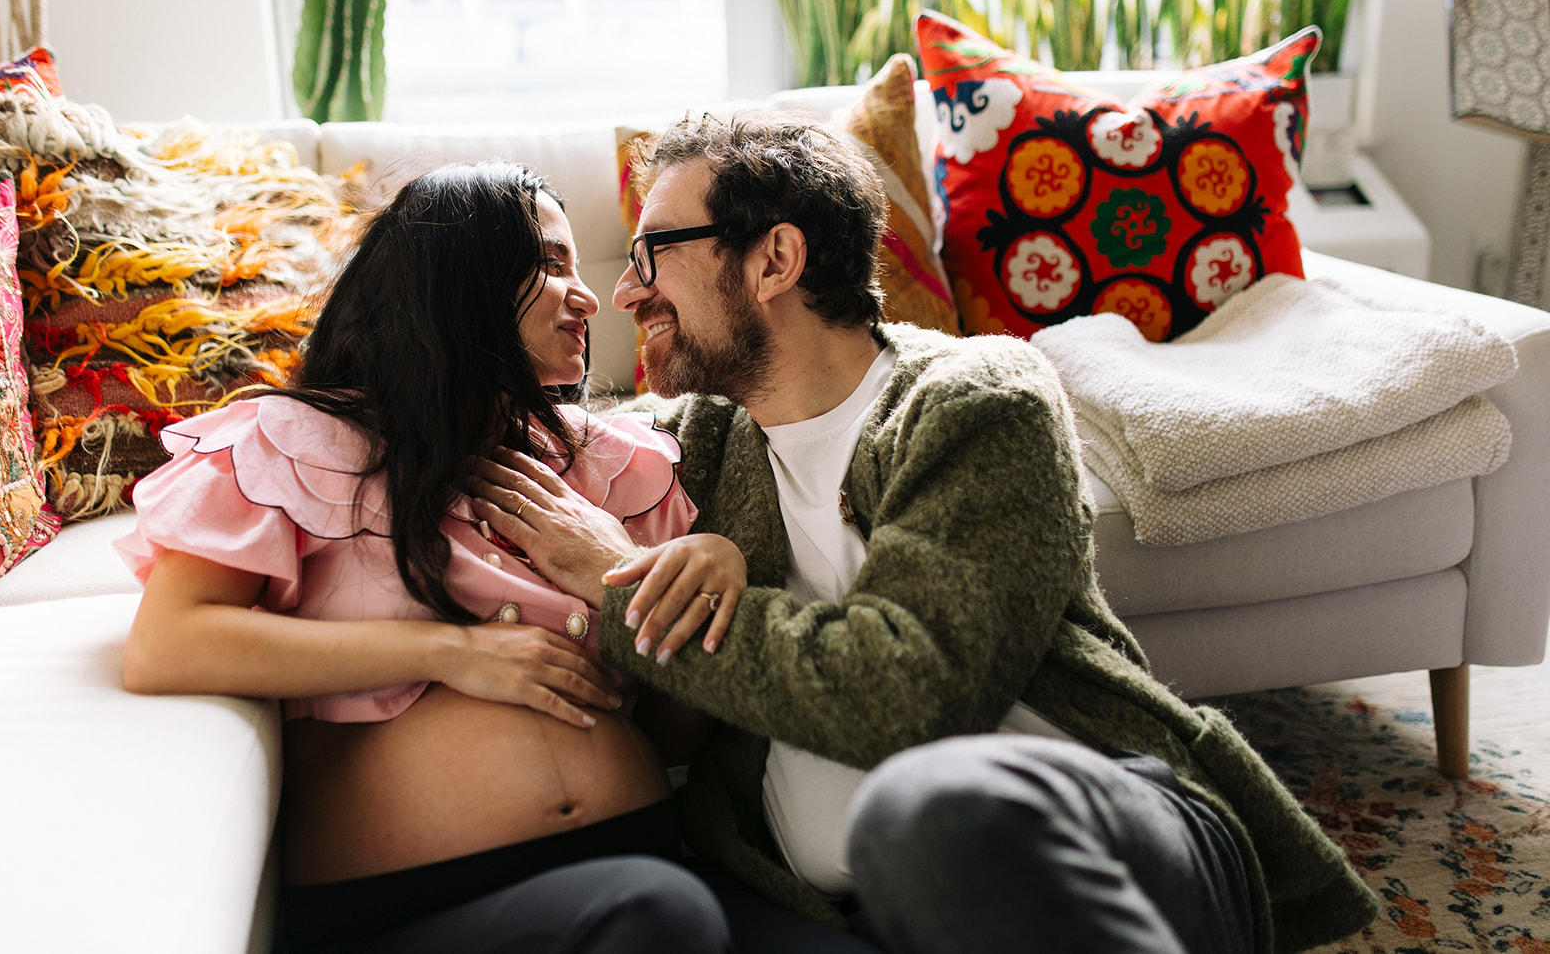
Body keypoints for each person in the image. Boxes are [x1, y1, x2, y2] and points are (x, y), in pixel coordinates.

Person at [472, 112, 1381, 954]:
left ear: (774, 258)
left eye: (651, 251)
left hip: (1088, 828)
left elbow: (905, 699)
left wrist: (621, 578)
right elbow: (477, 426)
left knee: (927, 807)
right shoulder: (701, 439)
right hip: (840, 905)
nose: (625, 288)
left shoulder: (975, 398)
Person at [117, 161, 749, 954]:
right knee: (659, 915)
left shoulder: (620, 469)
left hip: (642, 867)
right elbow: (166, 642)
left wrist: (708, 576)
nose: (589, 297)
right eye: (552, 265)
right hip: (413, 905)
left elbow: (677, 732)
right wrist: (453, 652)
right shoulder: (294, 443)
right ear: (460, 277)